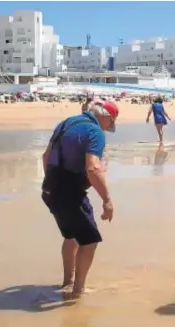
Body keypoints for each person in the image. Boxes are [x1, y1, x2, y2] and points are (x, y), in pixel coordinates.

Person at [41, 100, 119, 299]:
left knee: (71, 236)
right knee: (90, 240)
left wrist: (55, 184)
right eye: (111, 123)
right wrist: (107, 200)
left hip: (50, 190)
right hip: (69, 193)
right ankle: (78, 291)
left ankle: (68, 282)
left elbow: (46, 156)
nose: (109, 128)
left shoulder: (67, 123)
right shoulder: (94, 132)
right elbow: (93, 168)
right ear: (106, 117)